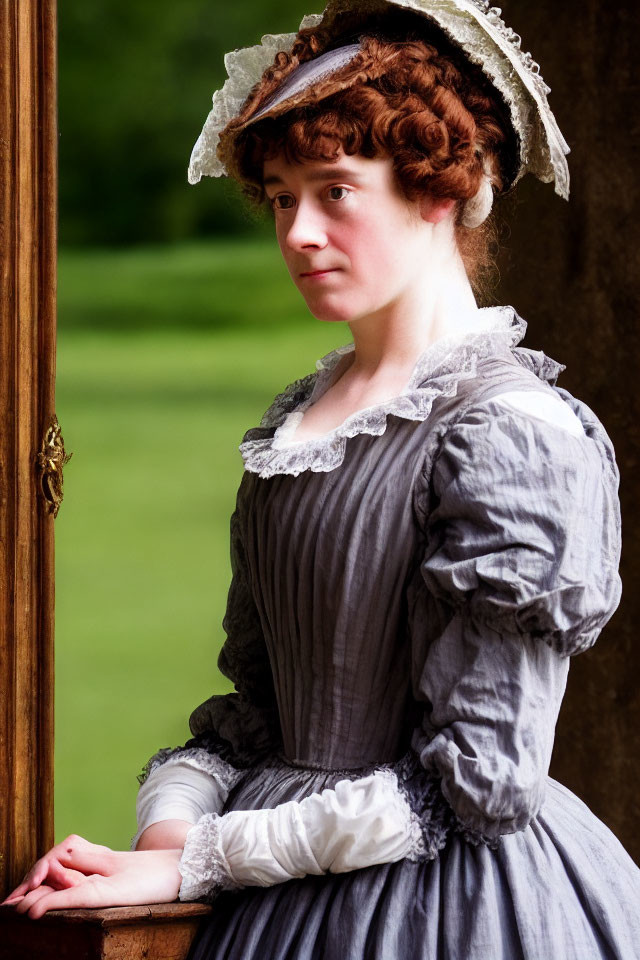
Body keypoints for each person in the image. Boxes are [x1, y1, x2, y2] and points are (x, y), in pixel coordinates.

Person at [4, 1, 640, 957]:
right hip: (275, 901)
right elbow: (249, 717)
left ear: (437, 191)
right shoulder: (302, 424)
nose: (297, 232)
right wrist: (171, 828)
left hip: (448, 910)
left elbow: (474, 788)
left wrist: (199, 862)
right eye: (279, 198)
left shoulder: (515, 437)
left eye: (334, 191)